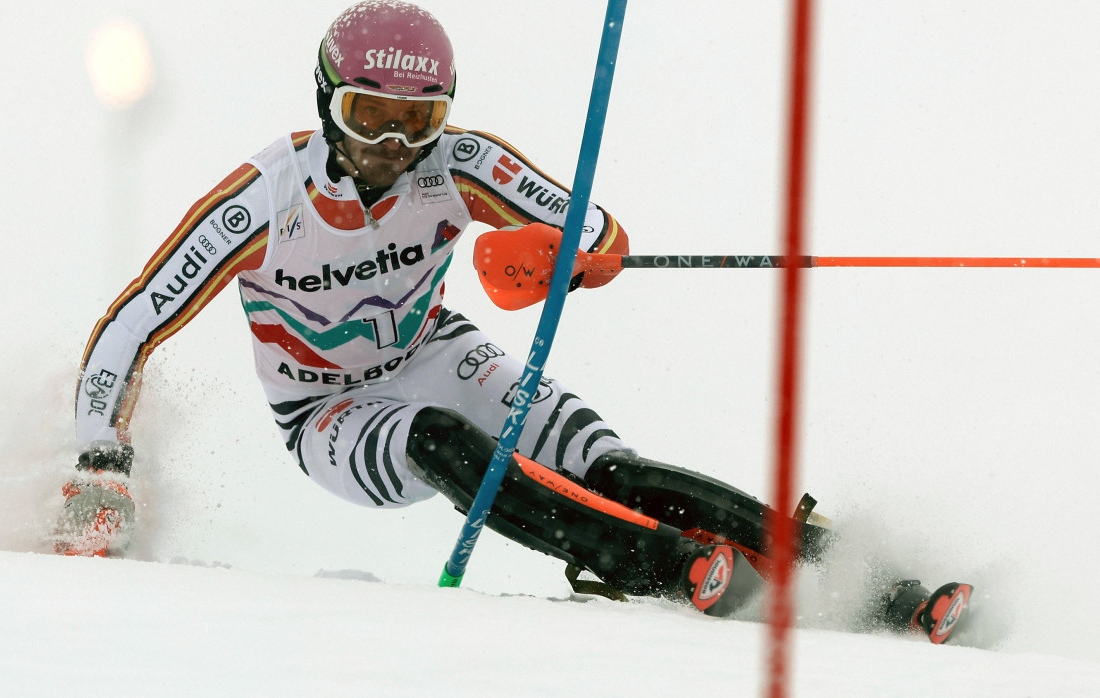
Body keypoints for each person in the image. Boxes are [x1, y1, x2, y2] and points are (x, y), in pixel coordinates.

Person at [53, 0, 972, 639]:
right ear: (326, 104)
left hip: (435, 351)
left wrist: (565, 255)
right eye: (368, 116)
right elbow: (135, 319)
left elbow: (598, 230)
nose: (391, 148)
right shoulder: (265, 199)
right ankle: (666, 565)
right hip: (329, 412)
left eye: (417, 121)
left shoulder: (457, 163)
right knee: (446, 440)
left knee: (612, 466)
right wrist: (103, 459)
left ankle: (866, 584)